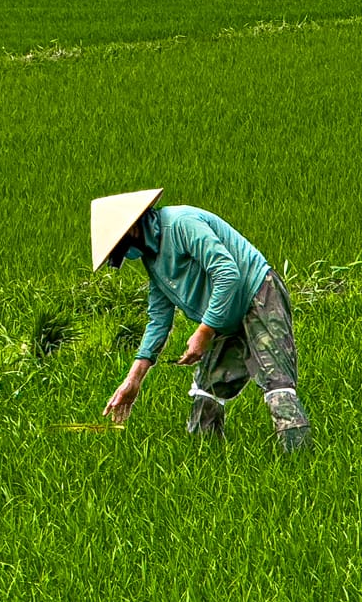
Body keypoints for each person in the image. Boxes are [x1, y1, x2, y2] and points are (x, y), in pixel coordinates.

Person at [91, 189, 311, 451]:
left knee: (277, 384)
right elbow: (159, 319)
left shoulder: (181, 223)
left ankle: (299, 460)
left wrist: (204, 331)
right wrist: (134, 379)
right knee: (207, 388)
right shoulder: (153, 260)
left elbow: (227, 272)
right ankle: (205, 456)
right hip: (224, 315)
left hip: (257, 294)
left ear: (132, 229)